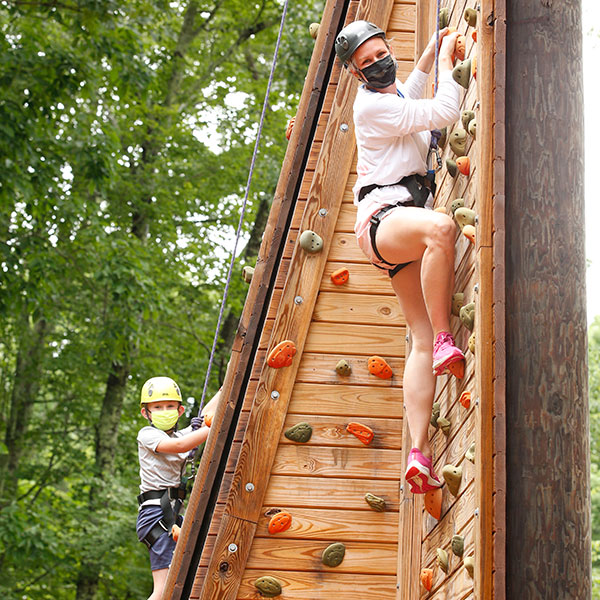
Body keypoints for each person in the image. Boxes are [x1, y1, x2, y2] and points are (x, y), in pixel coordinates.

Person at [334, 21, 465, 494]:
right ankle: (449, 337)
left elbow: (408, 94)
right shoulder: (371, 107)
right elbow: (446, 109)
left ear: (388, 48)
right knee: (442, 228)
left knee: (419, 339)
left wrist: (429, 51)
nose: (378, 64)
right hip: (386, 216)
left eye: (380, 53)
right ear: (355, 73)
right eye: (366, 63)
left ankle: (418, 452)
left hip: (392, 225)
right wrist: (450, 58)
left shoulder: (388, 100)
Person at [136, 376, 219, 600]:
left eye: (170, 406)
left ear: (180, 410)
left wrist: (225, 388)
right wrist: (215, 427)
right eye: (158, 407)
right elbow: (181, 445)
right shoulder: (147, 435)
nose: (165, 410)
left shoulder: (182, 433)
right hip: (155, 515)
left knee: (187, 577)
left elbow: (203, 419)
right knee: (162, 590)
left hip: (169, 515)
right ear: (147, 413)